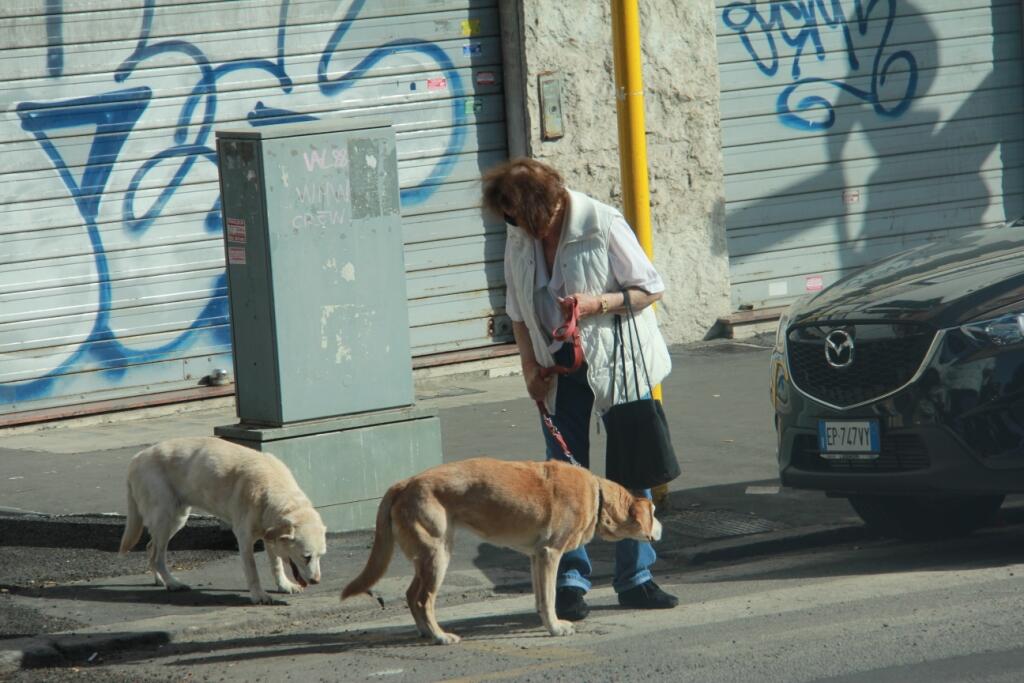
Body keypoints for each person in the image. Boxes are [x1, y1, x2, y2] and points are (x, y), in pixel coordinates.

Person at [481, 157, 678, 621]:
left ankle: (637, 579)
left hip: (618, 365)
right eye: (509, 218)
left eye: (523, 217)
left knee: (632, 470)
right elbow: (516, 309)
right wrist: (528, 365)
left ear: (547, 204)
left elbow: (650, 288)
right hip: (558, 370)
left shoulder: (601, 222)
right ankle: (571, 582)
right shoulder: (518, 235)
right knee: (563, 481)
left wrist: (598, 303)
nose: (519, 227)